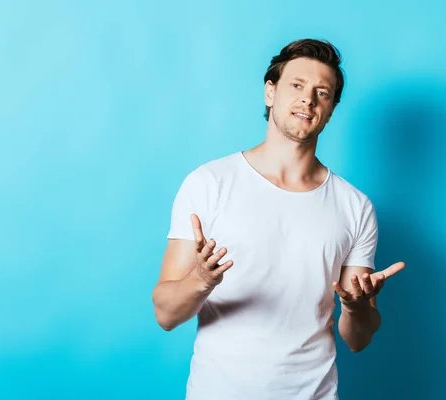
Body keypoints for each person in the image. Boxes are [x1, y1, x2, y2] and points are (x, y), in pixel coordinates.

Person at [152, 38, 405, 400]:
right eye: (297, 85)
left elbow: (358, 339)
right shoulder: (209, 183)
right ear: (270, 92)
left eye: (322, 92)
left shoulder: (355, 207)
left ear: (331, 110)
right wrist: (201, 279)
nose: (308, 99)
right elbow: (165, 313)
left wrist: (355, 306)